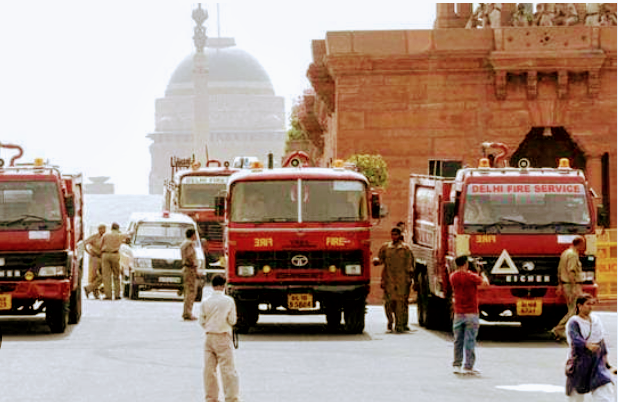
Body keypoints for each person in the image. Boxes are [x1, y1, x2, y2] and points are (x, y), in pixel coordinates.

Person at [565, 293, 615, 401]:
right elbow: (575, 338)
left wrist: (606, 363)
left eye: (592, 304)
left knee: (604, 385)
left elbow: (601, 340)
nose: (591, 307)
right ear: (579, 305)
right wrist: (586, 345)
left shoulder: (596, 320)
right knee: (576, 395)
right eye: (588, 304)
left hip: (596, 361)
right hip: (580, 362)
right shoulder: (574, 322)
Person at [199, 274, 241, 402]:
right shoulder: (228, 301)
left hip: (209, 337)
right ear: (224, 285)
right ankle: (231, 398)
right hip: (223, 336)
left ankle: (211, 397)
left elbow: (202, 320)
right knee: (227, 369)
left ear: (212, 285)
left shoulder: (205, 301)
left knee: (209, 370)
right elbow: (232, 320)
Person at [450, 255, 488, 375]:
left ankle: (457, 364)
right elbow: (485, 284)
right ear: (465, 263)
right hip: (471, 312)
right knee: (469, 340)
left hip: (458, 313)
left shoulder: (453, 276)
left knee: (458, 340)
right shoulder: (471, 276)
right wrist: (482, 272)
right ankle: (469, 366)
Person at [374, 226, 414, 333]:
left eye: (396, 234)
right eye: (392, 234)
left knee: (401, 303)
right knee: (388, 303)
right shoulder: (386, 247)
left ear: (399, 235)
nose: (394, 236)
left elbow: (410, 264)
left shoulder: (405, 249)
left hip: (402, 280)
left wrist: (409, 278)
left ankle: (400, 325)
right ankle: (390, 320)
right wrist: (376, 261)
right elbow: (381, 260)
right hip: (389, 279)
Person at [552, 236, 586, 341]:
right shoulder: (573, 255)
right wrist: (574, 287)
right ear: (579, 244)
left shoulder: (565, 253)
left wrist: (560, 284)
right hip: (571, 285)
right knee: (573, 310)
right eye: (583, 245)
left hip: (565, 284)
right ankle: (558, 329)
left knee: (572, 309)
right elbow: (571, 271)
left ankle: (567, 331)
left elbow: (559, 270)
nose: (584, 247)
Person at [100, 222, 128, 300]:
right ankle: (117, 295)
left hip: (105, 255)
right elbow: (127, 237)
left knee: (106, 276)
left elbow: (101, 244)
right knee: (116, 275)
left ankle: (108, 295)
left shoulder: (105, 235)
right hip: (115, 254)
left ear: (111, 227)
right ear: (118, 228)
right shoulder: (119, 235)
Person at [181, 228, 199, 321]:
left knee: (188, 291)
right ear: (192, 235)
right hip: (190, 269)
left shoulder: (184, 243)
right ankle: (188, 312)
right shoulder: (190, 244)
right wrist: (195, 267)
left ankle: (186, 312)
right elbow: (190, 256)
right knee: (191, 292)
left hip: (186, 268)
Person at [83, 224, 106, 299]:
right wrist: (89, 252)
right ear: (99, 230)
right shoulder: (94, 237)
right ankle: (95, 292)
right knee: (94, 275)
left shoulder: (106, 237)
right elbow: (84, 243)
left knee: (103, 276)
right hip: (95, 257)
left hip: (102, 257)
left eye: (104, 229)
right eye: (102, 229)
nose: (103, 230)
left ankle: (89, 288)